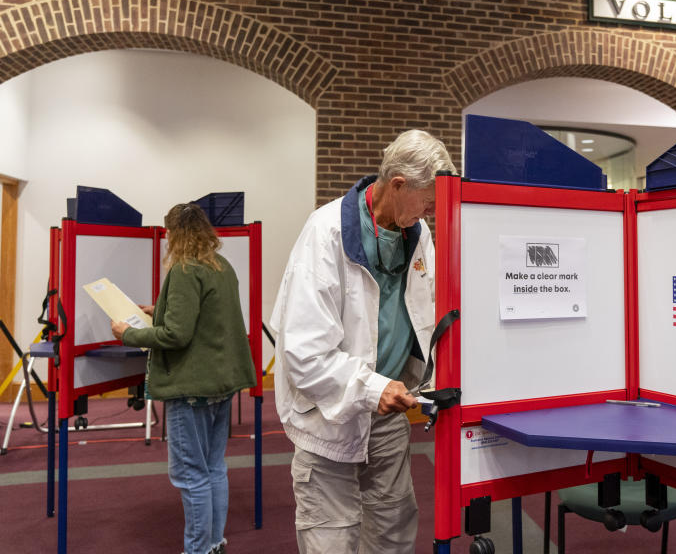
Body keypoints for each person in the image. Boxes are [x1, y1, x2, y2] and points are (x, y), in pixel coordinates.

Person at [271, 129, 455, 553]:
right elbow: (305, 354)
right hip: (329, 415)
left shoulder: (418, 233)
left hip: (388, 414)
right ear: (397, 185)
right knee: (333, 537)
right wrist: (373, 388)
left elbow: (425, 314)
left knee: (393, 531)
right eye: (427, 200)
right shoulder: (325, 232)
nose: (431, 211)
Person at [110, 203, 256, 554]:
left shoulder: (184, 270)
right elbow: (204, 319)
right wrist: (156, 310)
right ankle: (214, 543)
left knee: (191, 477)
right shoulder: (222, 267)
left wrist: (126, 334)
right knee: (213, 469)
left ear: (174, 234)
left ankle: (198, 550)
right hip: (221, 385)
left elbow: (176, 335)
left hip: (190, 388)